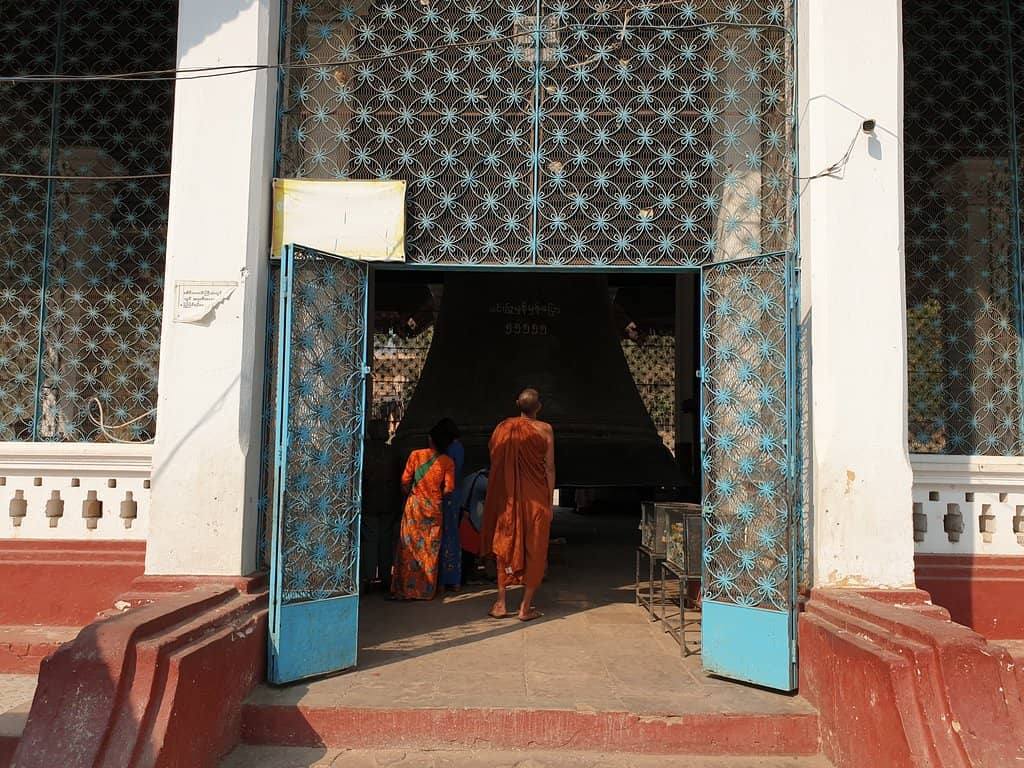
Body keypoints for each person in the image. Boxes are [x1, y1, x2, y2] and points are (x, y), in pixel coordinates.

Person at [481, 387, 555, 621]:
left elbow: (495, 457)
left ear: (517, 404)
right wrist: (549, 502)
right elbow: (549, 468)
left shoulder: (503, 428)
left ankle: (501, 604)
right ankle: (525, 608)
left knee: (505, 545)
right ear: (539, 407)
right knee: (536, 549)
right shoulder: (545, 430)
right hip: (536, 501)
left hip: (509, 500)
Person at [391, 423, 456, 600]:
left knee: (409, 546)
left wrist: (412, 494)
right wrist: (435, 496)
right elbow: (449, 488)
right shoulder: (447, 462)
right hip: (434, 508)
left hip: (415, 507)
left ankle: (405, 590)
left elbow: (405, 480)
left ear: (430, 438)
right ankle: (425, 591)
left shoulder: (416, 455)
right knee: (430, 548)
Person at [436, 417, 465, 591]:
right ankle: (454, 579)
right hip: (456, 494)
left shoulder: (450, 450)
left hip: (447, 494)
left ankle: (442, 579)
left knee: (443, 535)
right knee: (453, 535)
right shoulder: (459, 448)